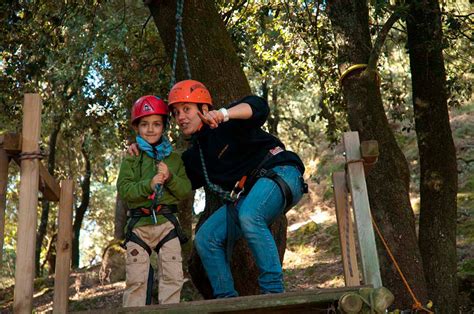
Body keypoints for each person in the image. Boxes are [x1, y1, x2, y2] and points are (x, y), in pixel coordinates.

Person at [129, 80, 307, 298]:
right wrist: (141, 150)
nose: (180, 117)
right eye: (175, 113)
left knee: (250, 215)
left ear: (204, 109)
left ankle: (273, 293)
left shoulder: (230, 123)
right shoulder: (195, 157)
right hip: (247, 196)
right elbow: (172, 179)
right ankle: (226, 299)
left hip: (281, 173)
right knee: (206, 237)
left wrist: (224, 114)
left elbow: (258, 106)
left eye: (186, 109)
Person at [117, 95, 191, 307]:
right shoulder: (132, 157)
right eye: (144, 124)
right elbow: (124, 189)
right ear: (136, 127)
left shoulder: (174, 159)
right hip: (139, 227)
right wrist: (147, 186)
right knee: (136, 281)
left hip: (167, 225)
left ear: (164, 126)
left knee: (173, 277)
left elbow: (184, 190)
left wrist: (170, 178)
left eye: (156, 124)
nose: (150, 129)